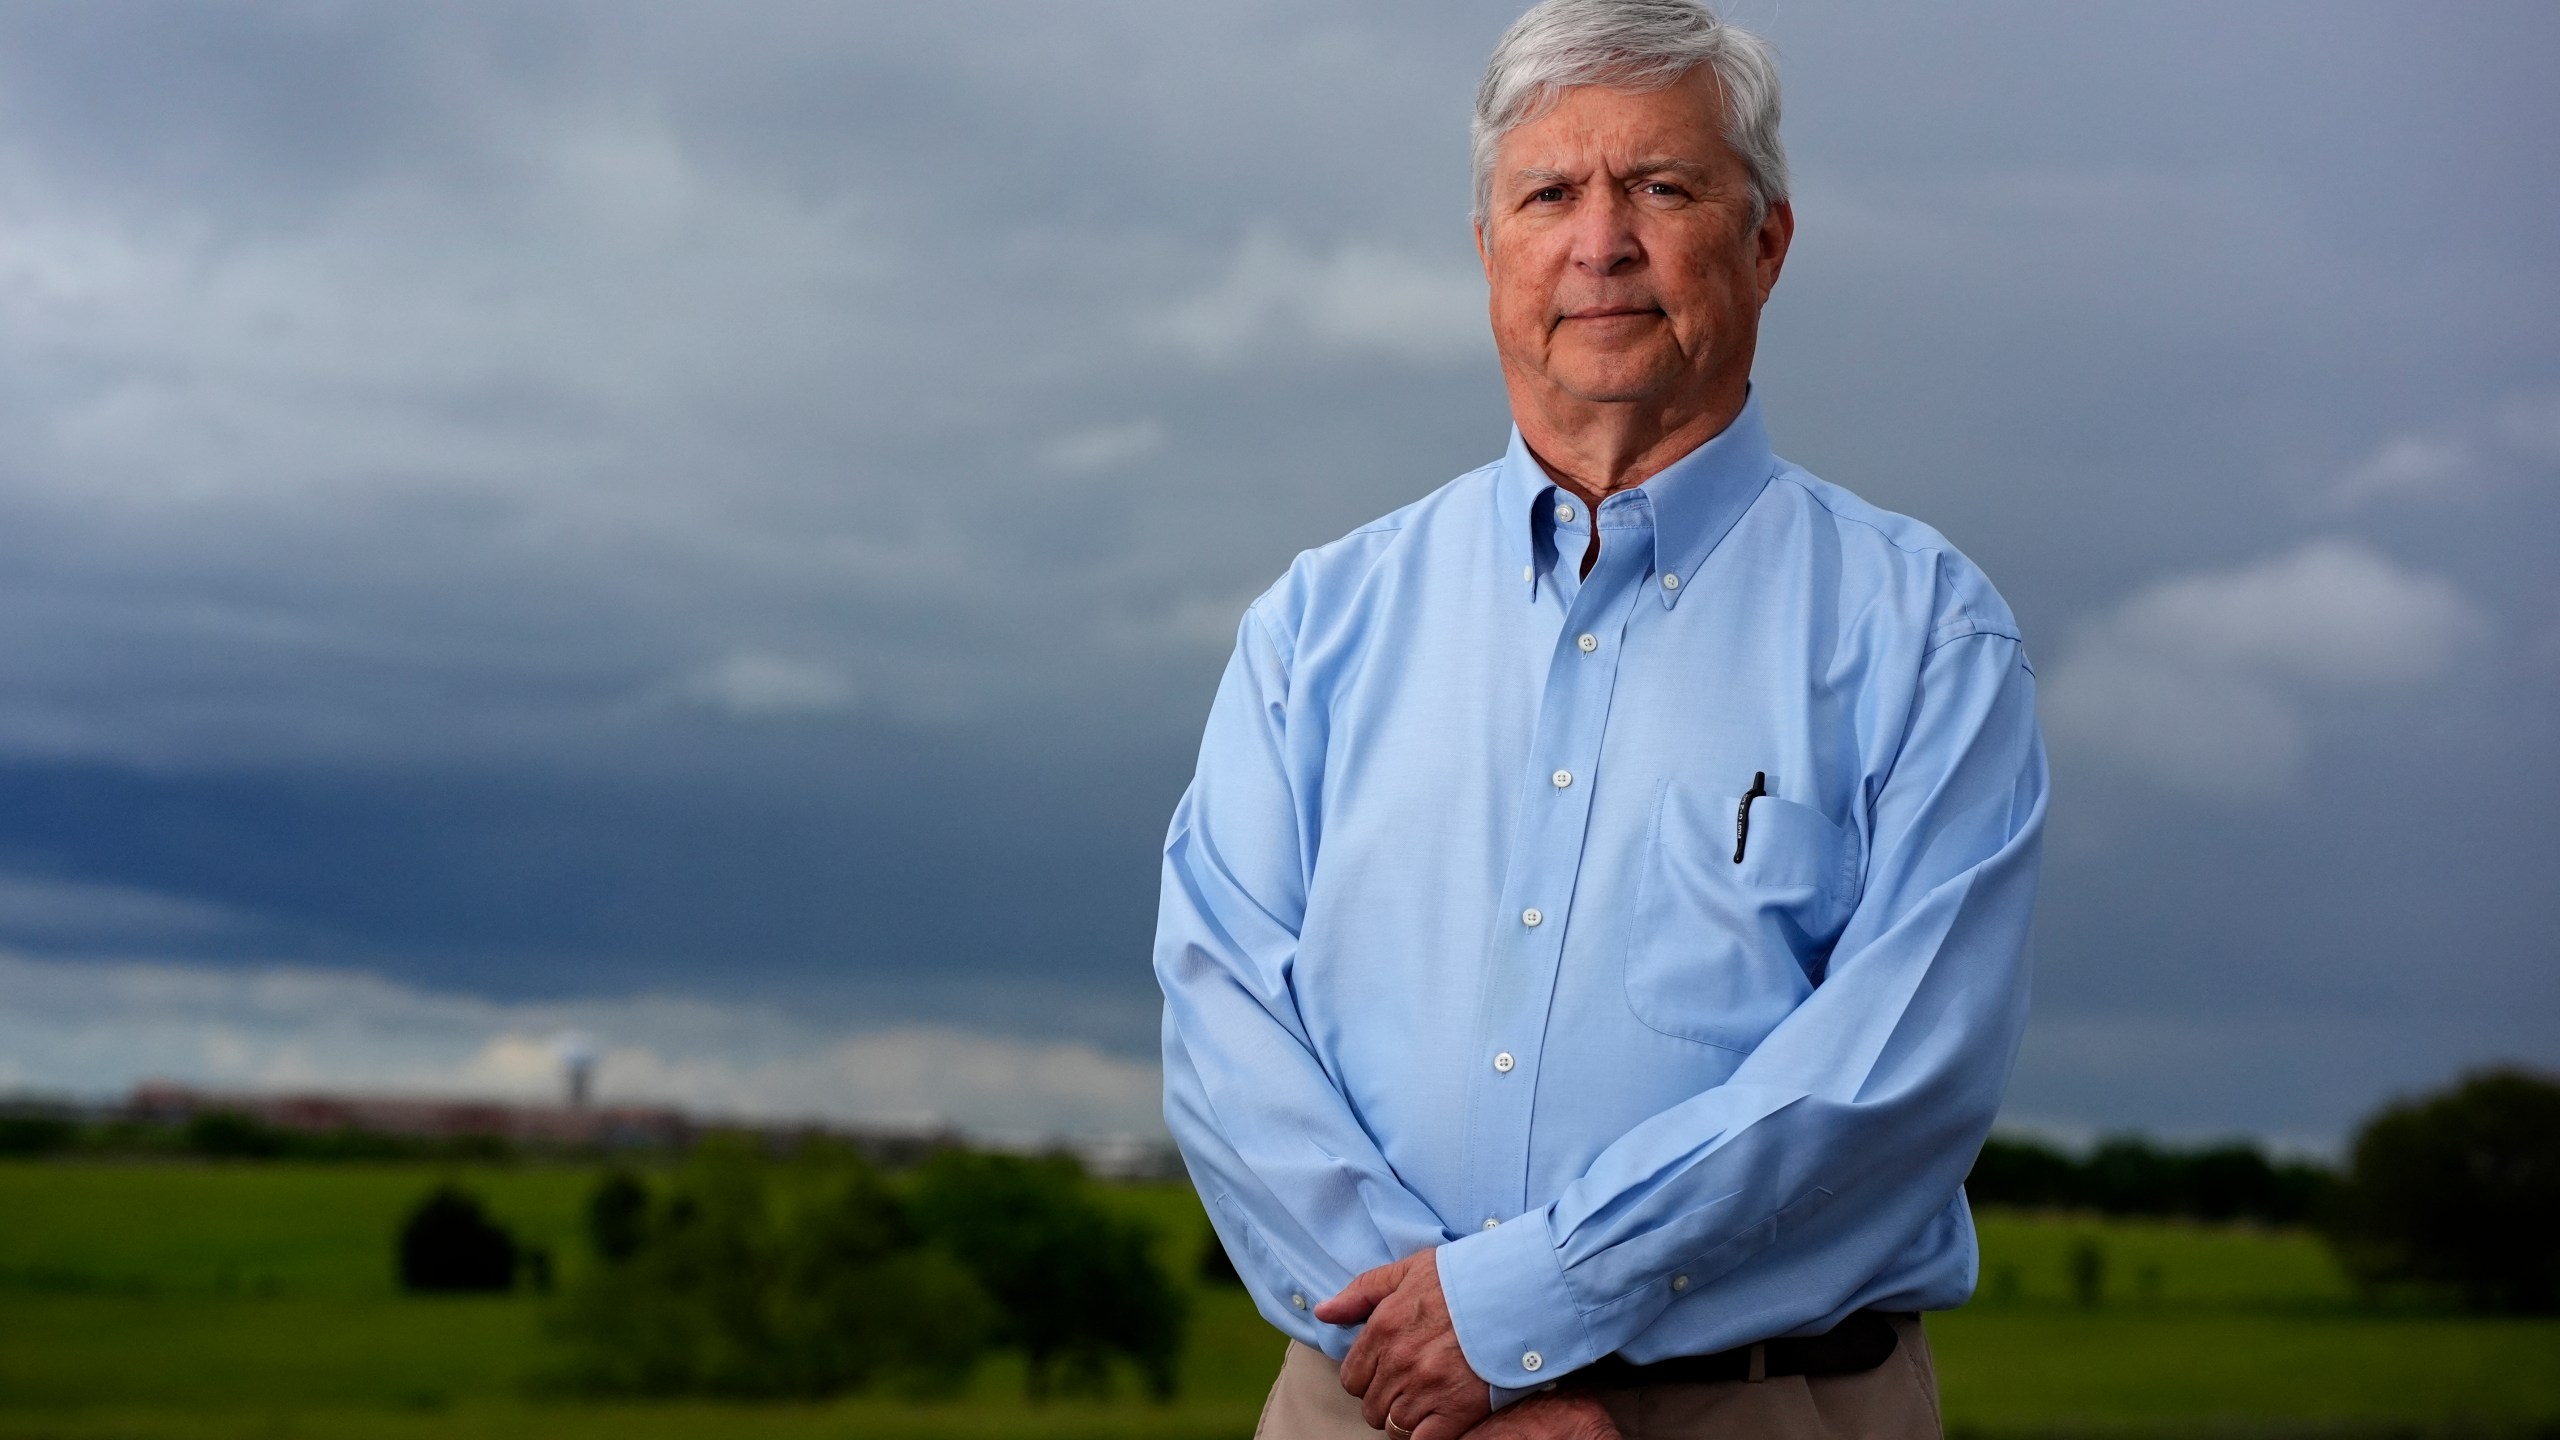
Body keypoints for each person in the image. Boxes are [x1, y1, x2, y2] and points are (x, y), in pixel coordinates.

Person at [1154, 1, 2046, 1435]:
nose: (1601, 241)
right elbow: (1222, 1020)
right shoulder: (1316, 628)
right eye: (1550, 193)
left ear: (1766, 244)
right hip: (1365, 1405)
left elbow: (1896, 1074)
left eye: (1662, 187)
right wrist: (1440, 1361)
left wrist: (1515, 1313)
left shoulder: (1924, 631)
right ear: (1487, 251)